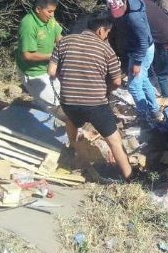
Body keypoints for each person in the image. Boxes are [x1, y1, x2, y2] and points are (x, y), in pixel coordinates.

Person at [48, 14, 132, 180]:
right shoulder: (106, 49)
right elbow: (116, 81)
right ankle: (130, 177)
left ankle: (79, 159)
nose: (107, 37)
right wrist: (107, 89)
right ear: (101, 30)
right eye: (107, 33)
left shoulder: (64, 42)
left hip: (68, 102)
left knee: (72, 121)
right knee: (114, 140)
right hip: (96, 104)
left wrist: (68, 79)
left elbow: (51, 71)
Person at [106, 0, 162, 125]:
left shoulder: (133, 18)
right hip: (140, 50)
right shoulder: (131, 0)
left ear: (124, 2)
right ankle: (155, 111)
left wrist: (137, 63)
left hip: (141, 52)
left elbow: (143, 42)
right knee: (143, 81)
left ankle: (145, 119)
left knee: (133, 86)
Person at [16, 0, 63, 118]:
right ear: (38, 9)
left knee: (61, 96)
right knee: (54, 105)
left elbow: (59, 37)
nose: (52, 15)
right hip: (33, 73)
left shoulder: (49, 19)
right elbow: (27, 55)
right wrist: (53, 56)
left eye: (53, 11)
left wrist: (65, 49)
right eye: (49, 11)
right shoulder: (28, 25)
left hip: (49, 67)